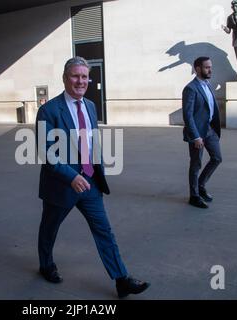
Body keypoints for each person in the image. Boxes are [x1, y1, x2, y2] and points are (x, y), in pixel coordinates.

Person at [35, 56, 150, 298]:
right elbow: (46, 151)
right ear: (65, 78)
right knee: (49, 229)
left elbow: (91, 140)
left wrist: (96, 169)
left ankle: (121, 279)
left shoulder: (90, 106)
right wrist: (71, 176)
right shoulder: (49, 110)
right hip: (62, 185)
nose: (81, 81)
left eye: (84, 76)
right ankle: (46, 265)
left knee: (104, 231)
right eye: (75, 76)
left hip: (90, 183)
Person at [182, 57, 222, 209]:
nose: (210, 70)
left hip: (210, 130)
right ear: (198, 69)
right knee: (196, 164)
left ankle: (200, 185)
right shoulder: (190, 88)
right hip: (197, 133)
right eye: (207, 67)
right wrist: (196, 136)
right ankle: (194, 196)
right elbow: (188, 115)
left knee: (217, 158)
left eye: (210, 67)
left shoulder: (208, 85)